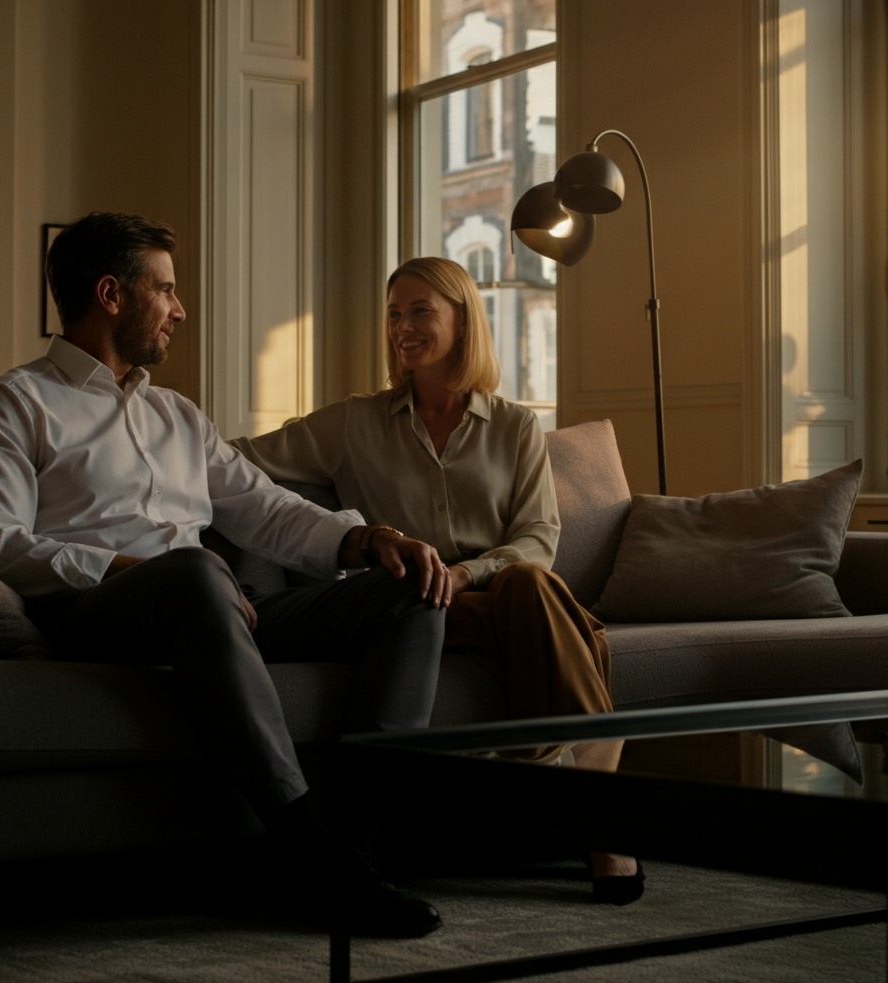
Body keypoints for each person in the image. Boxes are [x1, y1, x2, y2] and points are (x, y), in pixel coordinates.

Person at [0, 214, 452, 937]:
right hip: (95, 613)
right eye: (166, 290)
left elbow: (265, 509)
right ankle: (309, 854)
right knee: (194, 573)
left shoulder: (177, 415)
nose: (180, 310)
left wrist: (367, 539)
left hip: (211, 608)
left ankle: (351, 854)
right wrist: (129, 568)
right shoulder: (13, 403)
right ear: (111, 294)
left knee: (410, 591)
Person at [231, 256, 644, 906]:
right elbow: (233, 462)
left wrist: (468, 571)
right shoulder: (352, 423)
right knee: (551, 613)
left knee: (528, 584)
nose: (402, 326)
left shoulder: (515, 426)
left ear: (463, 319)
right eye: (395, 313)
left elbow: (538, 541)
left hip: (503, 600)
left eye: (420, 310)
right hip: (414, 606)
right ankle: (598, 816)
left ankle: (559, 790)